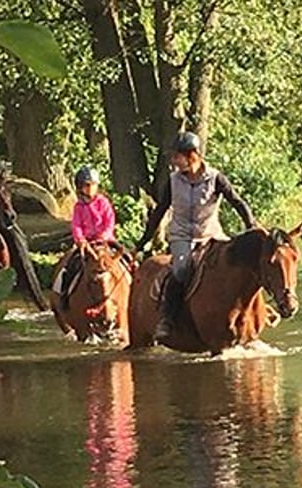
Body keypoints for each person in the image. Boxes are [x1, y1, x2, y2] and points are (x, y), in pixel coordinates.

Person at [135, 131, 257, 341]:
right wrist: (143, 241)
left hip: (212, 234)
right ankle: (167, 318)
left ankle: (257, 313)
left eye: (177, 156)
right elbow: (160, 210)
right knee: (181, 270)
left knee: (239, 265)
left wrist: (251, 225)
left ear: (192, 155)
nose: (174, 161)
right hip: (182, 237)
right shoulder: (173, 181)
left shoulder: (216, 178)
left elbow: (237, 201)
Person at [56, 166, 120, 299]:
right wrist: (80, 239)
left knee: (128, 259)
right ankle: (63, 294)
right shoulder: (78, 207)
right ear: (80, 188)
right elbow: (76, 225)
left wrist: (105, 235)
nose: (90, 188)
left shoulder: (104, 203)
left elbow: (110, 221)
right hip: (87, 244)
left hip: (106, 241)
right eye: (86, 185)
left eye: (93, 185)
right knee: (70, 266)